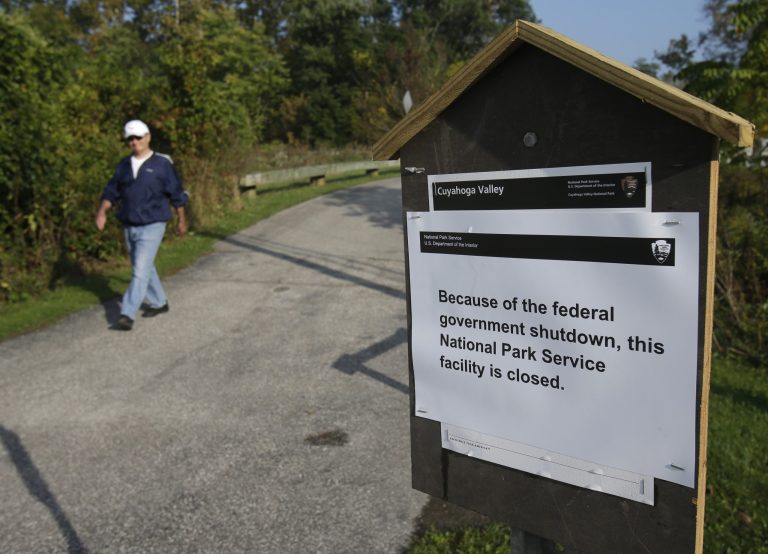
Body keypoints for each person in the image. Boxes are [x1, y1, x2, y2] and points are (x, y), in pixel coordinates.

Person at [95, 120, 188, 331]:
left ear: (148, 137)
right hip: (129, 224)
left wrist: (181, 219)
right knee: (143, 267)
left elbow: (176, 193)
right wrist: (102, 211)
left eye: (138, 137)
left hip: (153, 223)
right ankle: (159, 302)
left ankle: (126, 314)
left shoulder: (162, 164)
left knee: (139, 272)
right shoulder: (123, 166)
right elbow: (111, 191)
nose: (135, 142)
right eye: (130, 138)